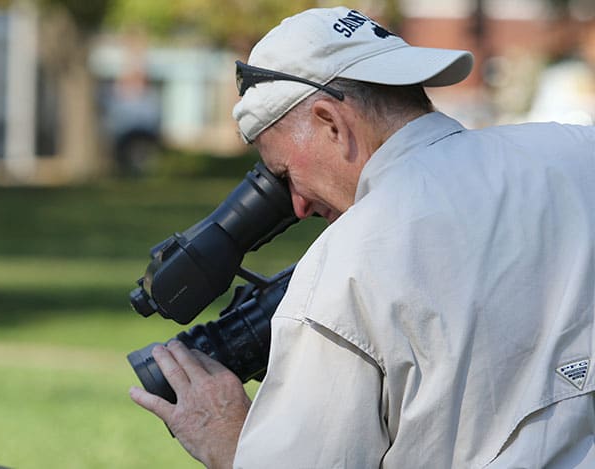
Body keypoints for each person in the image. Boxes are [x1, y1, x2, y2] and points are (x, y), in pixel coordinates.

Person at [129, 7, 595, 468]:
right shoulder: (578, 153)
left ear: (331, 121)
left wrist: (227, 440)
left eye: (284, 174)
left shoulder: (346, 264)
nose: (296, 207)